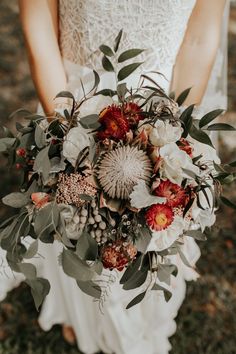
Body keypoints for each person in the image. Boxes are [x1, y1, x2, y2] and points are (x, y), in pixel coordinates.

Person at [1, 1, 229, 353]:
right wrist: (67, 137)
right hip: (71, 106)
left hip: (161, 114)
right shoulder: (68, 124)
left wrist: (175, 135)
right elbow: (39, 25)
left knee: (145, 239)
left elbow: (199, 39)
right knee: (77, 236)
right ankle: (84, 318)